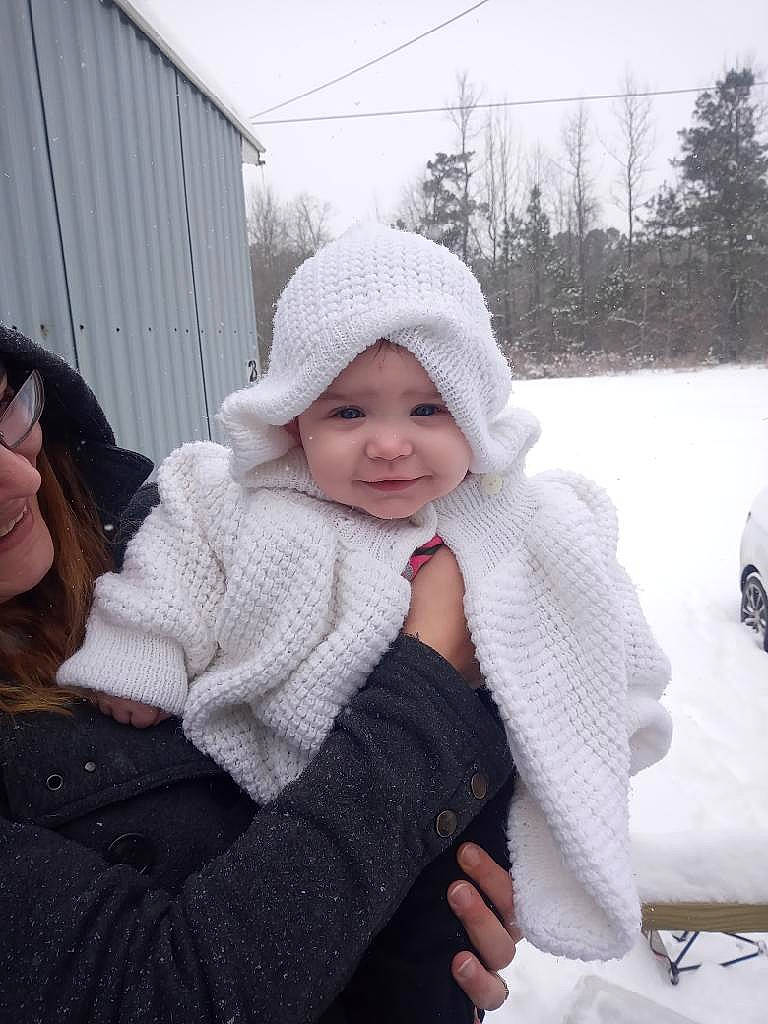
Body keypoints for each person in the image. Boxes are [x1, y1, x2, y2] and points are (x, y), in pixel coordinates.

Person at [60, 223, 672, 967]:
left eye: (427, 410)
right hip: (275, 818)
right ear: (294, 418)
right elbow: (170, 564)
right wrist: (138, 651)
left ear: (476, 413)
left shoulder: (524, 514)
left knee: (435, 970)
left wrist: (612, 710)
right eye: (348, 412)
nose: (388, 444)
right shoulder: (237, 499)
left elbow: (594, 618)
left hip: (448, 807)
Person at [0, 322, 520, 1024]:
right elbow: (165, 1000)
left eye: (5, 409)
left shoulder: (156, 512)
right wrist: (428, 692)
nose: (24, 475)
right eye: (348, 410)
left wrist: (473, 843)